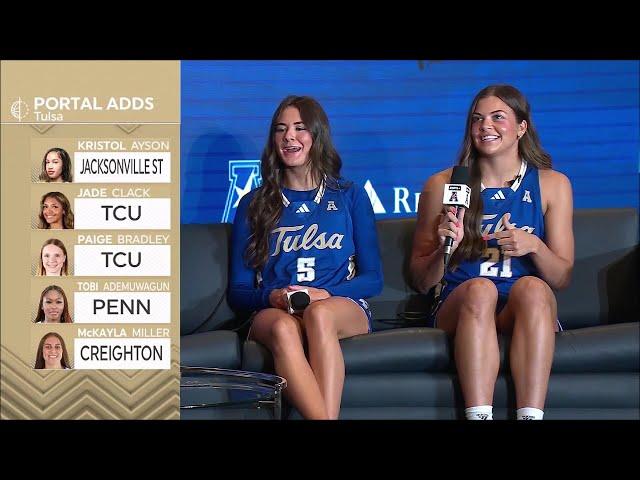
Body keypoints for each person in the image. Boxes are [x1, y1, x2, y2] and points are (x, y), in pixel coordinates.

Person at [410, 84, 574, 420]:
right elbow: (419, 280)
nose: (486, 126)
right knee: (480, 290)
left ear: (521, 127)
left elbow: (561, 277)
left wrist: (536, 247)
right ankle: (478, 416)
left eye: (498, 117)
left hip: (523, 306)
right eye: (477, 119)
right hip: (462, 302)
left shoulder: (552, 184)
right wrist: (445, 249)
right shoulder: (443, 185)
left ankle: (530, 416)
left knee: (532, 287)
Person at [229, 95, 383, 420]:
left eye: (300, 128)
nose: (289, 137)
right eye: (281, 129)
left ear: (317, 135)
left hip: (336, 305)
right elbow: (238, 291)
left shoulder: (349, 195)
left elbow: (373, 280)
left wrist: (325, 294)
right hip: (275, 311)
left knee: (319, 314)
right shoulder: (253, 203)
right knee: (285, 329)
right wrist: (271, 296)